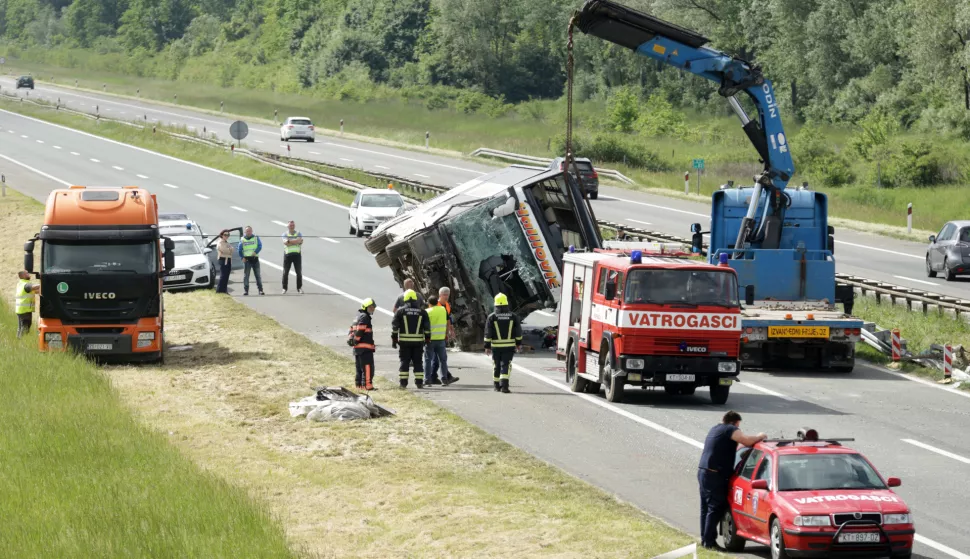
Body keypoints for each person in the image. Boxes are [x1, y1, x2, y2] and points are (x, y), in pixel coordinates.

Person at [697, 411, 767, 550]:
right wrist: (760, 436)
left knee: (706, 507)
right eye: (738, 425)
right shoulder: (729, 429)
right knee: (715, 507)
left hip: (704, 472)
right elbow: (746, 441)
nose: (738, 428)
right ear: (734, 423)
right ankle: (709, 542)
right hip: (714, 475)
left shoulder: (715, 428)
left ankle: (705, 540)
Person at [483, 293, 522, 393]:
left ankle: (496, 386)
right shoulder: (513, 316)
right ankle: (504, 386)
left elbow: (488, 333)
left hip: (496, 346)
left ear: (495, 304)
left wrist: (487, 346)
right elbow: (518, 331)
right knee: (506, 364)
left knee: (496, 365)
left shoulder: (492, 317)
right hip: (509, 346)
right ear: (506, 304)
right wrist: (518, 343)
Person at [391, 289, 430, 389]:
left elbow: (395, 327)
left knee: (404, 361)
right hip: (418, 342)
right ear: (416, 299)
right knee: (418, 362)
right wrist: (427, 340)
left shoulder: (400, 312)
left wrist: (394, 340)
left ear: (405, 299)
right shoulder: (423, 312)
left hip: (404, 342)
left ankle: (403, 384)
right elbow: (427, 328)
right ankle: (419, 383)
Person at [423, 296, 459, 386]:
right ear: (437, 302)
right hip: (441, 339)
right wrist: (446, 335)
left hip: (429, 340)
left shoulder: (427, 311)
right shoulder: (443, 310)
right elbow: (447, 323)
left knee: (428, 360)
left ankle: (427, 379)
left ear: (429, 303)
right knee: (442, 360)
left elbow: (423, 326)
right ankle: (444, 379)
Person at [353, 298, 377, 391]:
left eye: (373, 307)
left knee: (359, 368)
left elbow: (352, 330)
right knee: (367, 367)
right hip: (364, 348)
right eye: (371, 307)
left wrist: (353, 340)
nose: (373, 309)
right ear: (366, 307)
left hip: (358, 348)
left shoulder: (357, 316)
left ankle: (359, 386)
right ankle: (367, 386)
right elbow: (361, 330)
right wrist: (356, 339)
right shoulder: (364, 317)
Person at [237, 226, 264, 296]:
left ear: (252, 231)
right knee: (246, 276)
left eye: (249, 231)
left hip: (255, 259)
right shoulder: (242, 239)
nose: (248, 232)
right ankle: (246, 291)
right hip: (247, 260)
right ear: (245, 232)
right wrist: (242, 257)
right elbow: (239, 249)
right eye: (247, 231)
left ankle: (260, 290)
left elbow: (260, 246)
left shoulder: (256, 237)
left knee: (258, 275)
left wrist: (255, 252)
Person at [14, 270, 40, 338]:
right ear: (23, 276)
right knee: (25, 327)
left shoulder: (20, 283)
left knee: (20, 328)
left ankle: (18, 341)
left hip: (20, 310)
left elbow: (35, 291)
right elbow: (34, 287)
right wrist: (44, 282)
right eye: (27, 273)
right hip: (25, 310)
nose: (29, 274)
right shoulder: (26, 284)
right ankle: (22, 341)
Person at [281, 220, 304, 294]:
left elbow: (300, 241)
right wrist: (295, 241)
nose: (292, 226)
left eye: (293, 225)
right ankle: (284, 288)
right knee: (285, 272)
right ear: (288, 226)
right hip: (288, 255)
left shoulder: (298, 233)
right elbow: (286, 243)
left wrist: (290, 241)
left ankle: (299, 288)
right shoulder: (285, 234)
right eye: (290, 225)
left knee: (299, 272)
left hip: (297, 255)